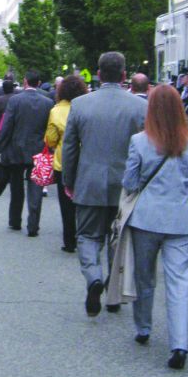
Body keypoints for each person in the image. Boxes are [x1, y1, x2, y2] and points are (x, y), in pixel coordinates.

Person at [122, 84, 188, 370]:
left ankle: (143, 327)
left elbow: (130, 183)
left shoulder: (140, 141)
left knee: (145, 276)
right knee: (179, 282)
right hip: (180, 219)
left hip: (146, 218)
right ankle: (179, 343)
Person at [62, 51, 147, 317]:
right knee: (118, 239)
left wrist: (69, 180)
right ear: (125, 76)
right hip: (127, 185)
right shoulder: (140, 107)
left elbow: (70, 148)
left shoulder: (80, 105)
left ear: (98, 74)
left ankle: (94, 277)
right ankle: (113, 293)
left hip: (89, 182)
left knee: (87, 235)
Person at [0, 69, 54, 236]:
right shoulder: (47, 103)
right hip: (38, 150)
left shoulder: (15, 101)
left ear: (24, 82)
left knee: (16, 188)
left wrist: (3, 146)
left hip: (16, 149)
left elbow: (7, 125)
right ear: (38, 83)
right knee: (36, 188)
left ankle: (15, 221)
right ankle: (33, 225)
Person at [44, 75, 88, 253]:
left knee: (66, 204)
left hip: (63, 161)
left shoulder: (56, 111)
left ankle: (69, 240)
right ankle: (85, 236)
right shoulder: (87, 107)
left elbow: (51, 140)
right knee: (84, 204)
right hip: (86, 161)